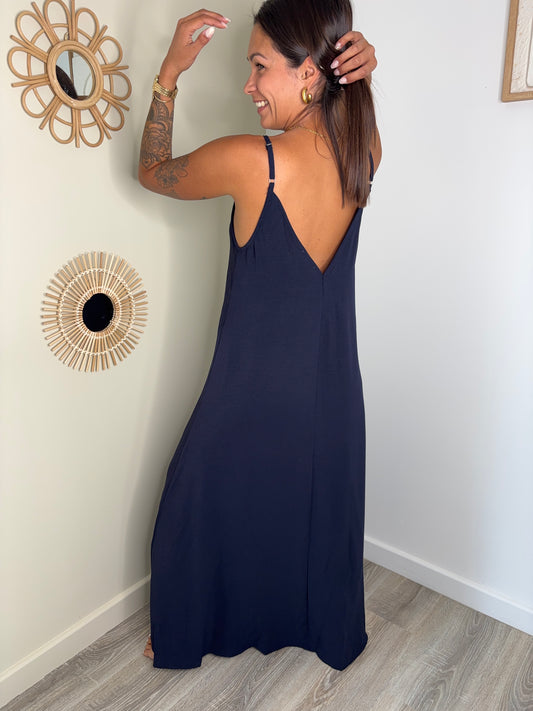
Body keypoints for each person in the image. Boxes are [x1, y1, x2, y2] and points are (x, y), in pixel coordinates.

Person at [138, 0, 381, 672]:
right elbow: (356, 109)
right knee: (307, 510)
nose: (248, 85)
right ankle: (304, 626)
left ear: (310, 73)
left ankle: (188, 625)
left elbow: (151, 170)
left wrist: (169, 72)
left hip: (250, 388)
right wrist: (363, 74)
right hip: (332, 392)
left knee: (195, 500)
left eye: (258, 66)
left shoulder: (253, 160)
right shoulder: (365, 150)